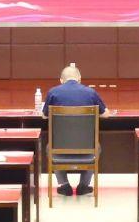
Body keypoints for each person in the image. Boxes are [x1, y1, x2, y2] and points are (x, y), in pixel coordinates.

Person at [42, 65, 108, 197]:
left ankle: (64, 185)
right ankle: (83, 185)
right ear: (79, 79)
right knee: (97, 148)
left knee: (50, 148)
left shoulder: (53, 92)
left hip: (59, 149)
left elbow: (44, 115)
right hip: (87, 149)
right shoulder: (91, 92)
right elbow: (105, 114)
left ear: (61, 80)